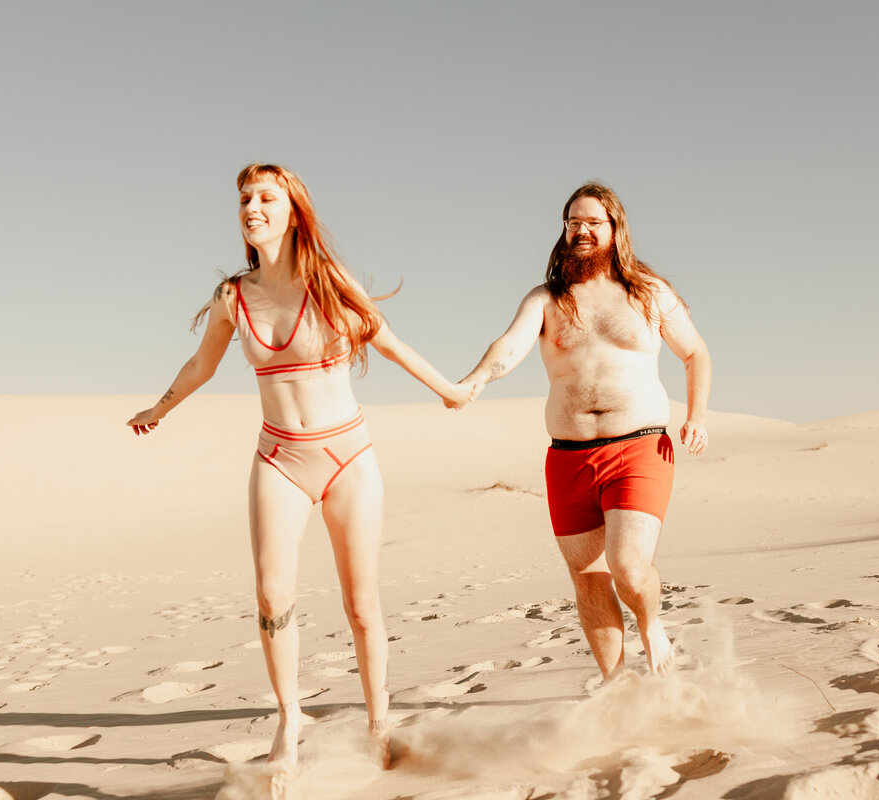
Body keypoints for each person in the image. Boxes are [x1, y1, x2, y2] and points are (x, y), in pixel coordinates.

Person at [128, 163, 471, 769]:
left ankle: (377, 723)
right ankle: (289, 721)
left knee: (361, 603)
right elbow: (201, 366)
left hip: (348, 458)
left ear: (293, 213)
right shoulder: (234, 296)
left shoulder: (327, 280)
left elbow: (386, 340)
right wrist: (159, 408)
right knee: (270, 592)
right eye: (243, 199)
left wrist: (448, 388)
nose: (251, 207)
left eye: (265, 198)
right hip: (279, 457)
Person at [459, 182, 711, 680]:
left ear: (615, 229)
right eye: (574, 222)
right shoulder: (547, 298)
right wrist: (474, 380)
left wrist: (697, 416)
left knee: (627, 564)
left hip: (637, 447)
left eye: (594, 222)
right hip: (568, 458)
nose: (582, 231)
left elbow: (695, 353)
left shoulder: (648, 292)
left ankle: (652, 622)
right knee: (589, 578)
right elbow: (508, 346)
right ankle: (615, 687)